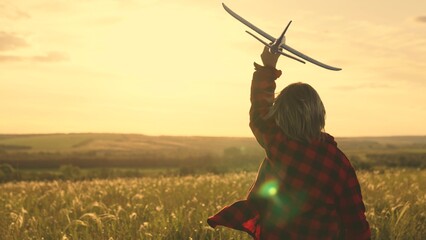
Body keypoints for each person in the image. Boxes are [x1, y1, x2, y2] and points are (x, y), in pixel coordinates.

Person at [207, 46, 371, 239]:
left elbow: (260, 109)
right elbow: (355, 221)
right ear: (320, 116)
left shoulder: (279, 144)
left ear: (280, 116)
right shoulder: (337, 162)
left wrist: (268, 66)